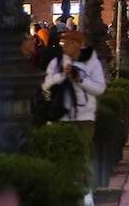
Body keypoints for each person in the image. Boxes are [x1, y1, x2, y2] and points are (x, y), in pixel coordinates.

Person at [42, 30, 106, 203]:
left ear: (79, 44)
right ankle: (65, 193)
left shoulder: (91, 63)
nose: (65, 46)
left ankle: (87, 194)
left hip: (84, 117)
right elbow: (46, 85)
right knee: (60, 157)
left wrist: (80, 80)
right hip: (60, 117)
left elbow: (100, 88)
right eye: (63, 42)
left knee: (84, 157)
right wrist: (62, 75)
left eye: (69, 42)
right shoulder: (56, 63)